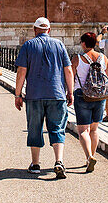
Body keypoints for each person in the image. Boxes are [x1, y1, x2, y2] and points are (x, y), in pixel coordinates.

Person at [14, 17, 74, 178]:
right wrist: (70, 92)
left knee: (35, 128)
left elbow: (21, 71)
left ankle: (35, 164)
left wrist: (18, 94)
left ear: (34, 30)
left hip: (34, 95)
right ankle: (59, 161)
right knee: (57, 128)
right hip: (57, 93)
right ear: (49, 30)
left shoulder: (28, 45)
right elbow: (68, 70)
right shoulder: (59, 45)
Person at [72, 31, 108, 172]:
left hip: (81, 95)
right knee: (94, 129)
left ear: (83, 43)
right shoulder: (103, 58)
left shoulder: (77, 58)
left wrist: (68, 93)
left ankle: (89, 157)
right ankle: (92, 156)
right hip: (100, 97)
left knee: (83, 130)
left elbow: (70, 78)